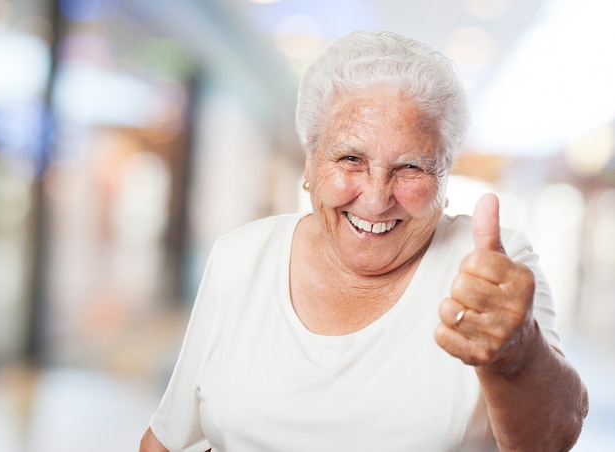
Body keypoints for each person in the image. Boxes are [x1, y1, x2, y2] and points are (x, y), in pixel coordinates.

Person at [140, 30, 588, 451]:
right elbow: (166, 438)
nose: (375, 199)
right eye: (351, 158)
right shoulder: (241, 256)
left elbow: (554, 438)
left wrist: (518, 351)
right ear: (310, 166)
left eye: (411, 167)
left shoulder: (494, 269)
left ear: (446, 177)